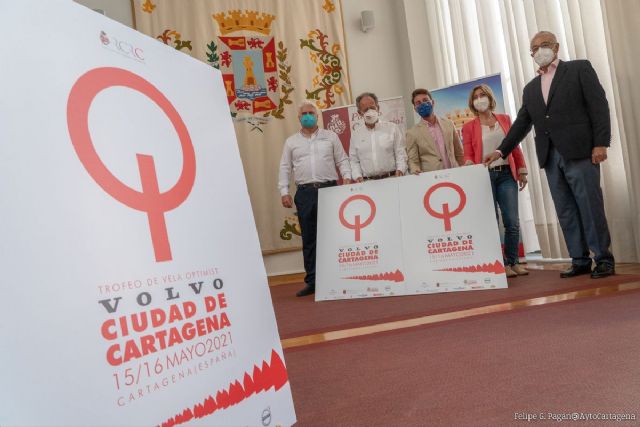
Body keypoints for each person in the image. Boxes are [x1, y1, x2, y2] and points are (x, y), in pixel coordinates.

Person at [483, 31, 615, 279]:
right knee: (565, 210)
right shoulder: (530, 88)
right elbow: (522, 123)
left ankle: (603, 259)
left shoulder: (578, 69)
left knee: (590, 206)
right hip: (550, 157)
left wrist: (601, 144)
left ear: (556, 46)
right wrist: (501, 150)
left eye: (544, 45)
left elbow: (599, 106)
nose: (539, 50)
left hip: (580, 152)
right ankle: (579, 259)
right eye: (534, 48)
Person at [278, 101, 352, 296]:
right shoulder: (291, 142)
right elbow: (285, 167)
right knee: (310, 238)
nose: (308, 116)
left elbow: (342, 159)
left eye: (311, 113)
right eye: (304, 114)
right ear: (299, 118)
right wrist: (284, 191)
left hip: (329, 190)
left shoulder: (331, 136)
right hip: (305, 193)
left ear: (317, 116)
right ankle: (313, 281)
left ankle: (338, 277)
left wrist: (347, 177)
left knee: (333, 235)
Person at [462, 84, 529, 278]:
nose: (479, 99)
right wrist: (468, 164)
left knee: (512, 221)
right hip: (484, 176)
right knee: (492, 222)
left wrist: (522, 170)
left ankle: (513, 262)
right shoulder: (468, 127)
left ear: (490, 97)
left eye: (482, 95)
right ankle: (501, 264)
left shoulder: (504, 119)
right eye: (476, 97)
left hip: (507, 173)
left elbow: (514, 145)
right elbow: (468, 153)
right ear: (472, 102)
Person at [349, 92, 407, 181]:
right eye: (366, 109)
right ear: (360, 113)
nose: (370, 112)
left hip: (392, 179)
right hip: (368, 183)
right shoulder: (356, 135)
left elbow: (400, 153)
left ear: (378, 108)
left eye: (372, 108)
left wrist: (401, 169)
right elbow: (354, 160)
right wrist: (357, 176)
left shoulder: (392, 128)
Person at [406, 88, 464, 174]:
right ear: (415, 108)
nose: (422, 104)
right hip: (432, 178)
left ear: (432, 102)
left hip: (454, 174)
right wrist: (415, 169)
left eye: (425, 100)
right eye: (418, 103)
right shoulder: (412, 133)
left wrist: (463, 170)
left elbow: (459, 152)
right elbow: (413, 161)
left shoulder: (449, 124)